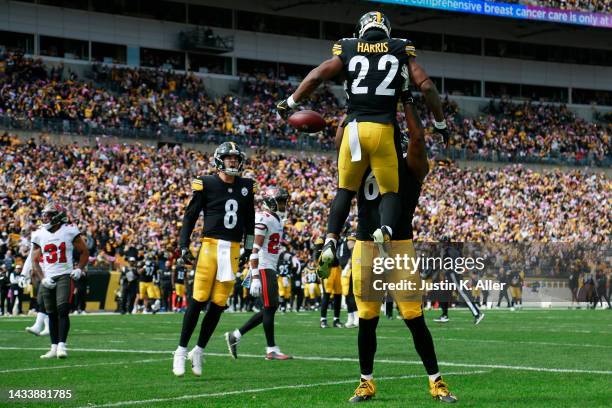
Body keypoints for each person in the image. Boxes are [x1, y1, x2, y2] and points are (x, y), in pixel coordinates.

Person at [276, 11, 448, 277]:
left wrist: (291, 103)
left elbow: (318, 75)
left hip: (352, 127)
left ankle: (330, 239)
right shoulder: (400, 47)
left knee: (344, 189)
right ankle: (386, 231)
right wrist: (439, 122)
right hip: (383, 129)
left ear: (361, 30)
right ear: (386, 29)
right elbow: (425, 86)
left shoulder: (347, 46)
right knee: (391, 191)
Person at [341, 91, 457, 403]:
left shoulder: (411, 165)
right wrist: (355, 109)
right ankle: (366, 382)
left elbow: (418, 137)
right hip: (366, 246)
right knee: (367, 318)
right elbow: (342, 140)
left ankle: (436, 381)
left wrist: (406, 99)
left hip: (400, 248)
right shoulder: (362, 161)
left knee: (413, 316)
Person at [173, 142, 255, 377]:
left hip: (233, 249)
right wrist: (183, 245)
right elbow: (190, 216)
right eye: (228, 158)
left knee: (219, 303)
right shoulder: (206, 182)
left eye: (235, 158)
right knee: (198, 298)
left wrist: (248, 250)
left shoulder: (246, 186)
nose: (232, 161)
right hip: (210, 246)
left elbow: (250, 221)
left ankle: (198, 350)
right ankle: (180, 350)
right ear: (219, 160)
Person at [225, 187, 293, 360]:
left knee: (271, 307)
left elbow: (272, 246)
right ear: (271, 202)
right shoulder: (264, 218)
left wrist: (287, 255)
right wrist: (255, 276)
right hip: (262, 266)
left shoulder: (276, 219)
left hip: (269, 266)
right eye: (281, 200)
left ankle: (236, 335)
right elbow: (255, 249)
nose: (285, 204)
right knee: (270, 307)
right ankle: (271, 349)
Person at [30, 202, 89, 359]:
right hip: (48, 276)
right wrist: (42, 279)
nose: (45, 218)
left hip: (65, 274)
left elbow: (84, 251)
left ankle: (62, 345)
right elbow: (34, 260)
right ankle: (53, 347)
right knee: (51, 313)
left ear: (58, 216)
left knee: (62, 309)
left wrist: (79, 269)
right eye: (44, 215)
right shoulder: (39, 234)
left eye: (48, 215)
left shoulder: (69, 231)